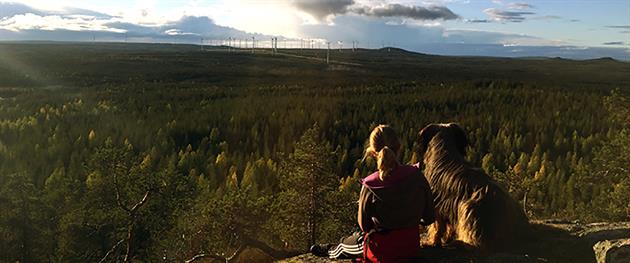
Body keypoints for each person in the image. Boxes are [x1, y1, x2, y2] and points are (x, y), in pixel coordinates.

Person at [311, 124, 435, 263]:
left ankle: (330, 249)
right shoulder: (416, 175)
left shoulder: (371, 185)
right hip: (410, 247)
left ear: (373, 153)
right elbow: (429, 217)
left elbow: (364, 226)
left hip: (381, 251)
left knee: (347, 244)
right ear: (399, 147)